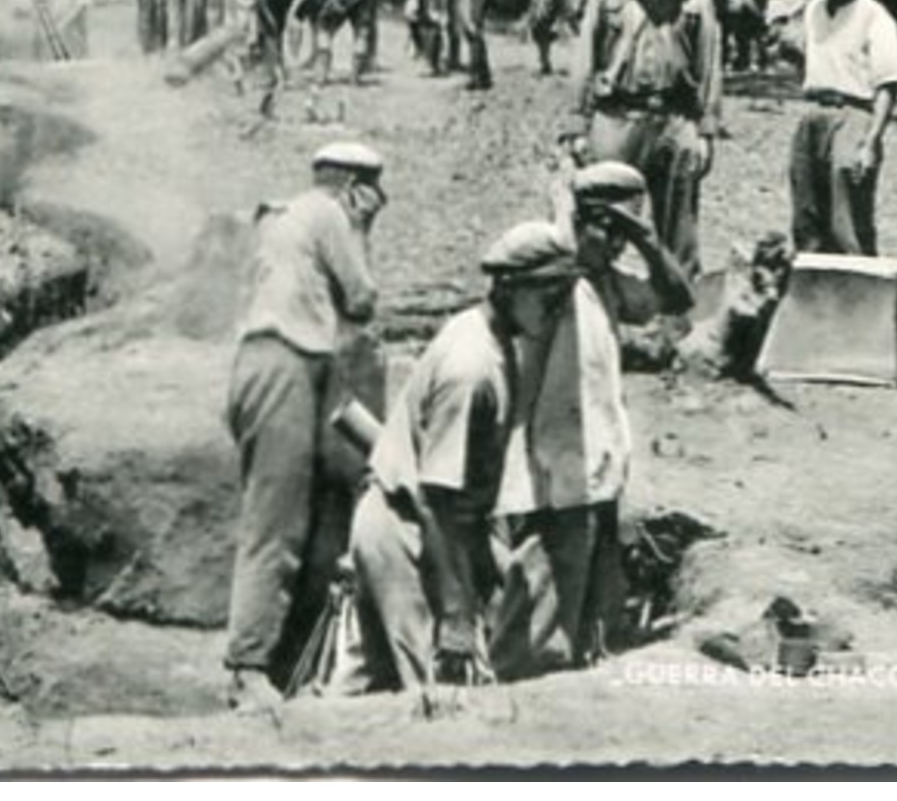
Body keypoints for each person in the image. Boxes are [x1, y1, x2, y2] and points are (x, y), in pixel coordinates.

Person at [349, 221, 578, 694]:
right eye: (547, 296)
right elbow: (437, 497)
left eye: (563, 297)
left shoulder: (492, 340)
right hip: (406, 527)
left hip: (420, 521)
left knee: (368, 682)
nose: (556, 311)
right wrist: (455, 612)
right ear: (509, 286)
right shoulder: (470, 368)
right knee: (436, 688)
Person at [490, 162, 693, 681]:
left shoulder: (604, 283)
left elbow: (677, 298)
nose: (617, 246)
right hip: (553, 477)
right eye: (610, 231)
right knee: (542, 623)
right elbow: (564, 252)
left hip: (596, 474)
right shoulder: (552, 278)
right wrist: (568, 207)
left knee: (591, 615)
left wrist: (645, 237)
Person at [224, 141, 388, 709]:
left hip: (270, 363)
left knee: (302, 514)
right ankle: (248, 670)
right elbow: (362, 299)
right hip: (285, 364)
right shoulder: (326, 212)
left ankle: (279, 658)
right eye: (373, 190)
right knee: (277, 523)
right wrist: (363, 228)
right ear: (352, 187)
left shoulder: (284, 217)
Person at [568, 0, 721, 282]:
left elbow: (709, 65)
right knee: (602, 222)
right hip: (616, 116)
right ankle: (596, 314)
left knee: (679, 232)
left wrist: (705, 131)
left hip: (675, 119)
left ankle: (678, 320)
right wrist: (576, 125)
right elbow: (584, 57)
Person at [788, 0, 897, 257]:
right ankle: (814, 298)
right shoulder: (813, 11)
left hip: (853, 115)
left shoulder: (875, 16)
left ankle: (861, 298)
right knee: (807, 215)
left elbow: (888, 84)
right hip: (813, 116)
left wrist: (870, 142)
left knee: (848, 217)